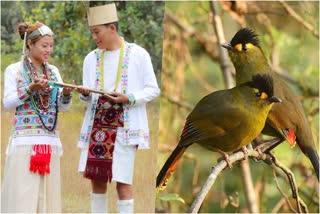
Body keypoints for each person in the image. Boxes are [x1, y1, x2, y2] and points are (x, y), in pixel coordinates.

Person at [76, 3, 160, 213]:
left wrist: (128, 98)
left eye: (97, 32)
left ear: (112, 28)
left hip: (124, 128)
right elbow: (87, 99)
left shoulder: (138, 54)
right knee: (97, 181)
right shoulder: (90, 58)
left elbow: (152, 89)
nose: (94, 37)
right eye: (92, 32)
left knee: (123, 182)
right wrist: (85, 94)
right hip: (97, 128)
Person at [1, 21, 73, 212]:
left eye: (51, 45)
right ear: (30, 44)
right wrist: (29, 89)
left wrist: (66, 94)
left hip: (49, 141)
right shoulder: (15, 70)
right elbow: (7, 103)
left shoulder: (54, 72)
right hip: (24, 142)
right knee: (23, 196)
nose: (48, 50)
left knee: (46, 198)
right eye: (44, 45)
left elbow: (61, 108)